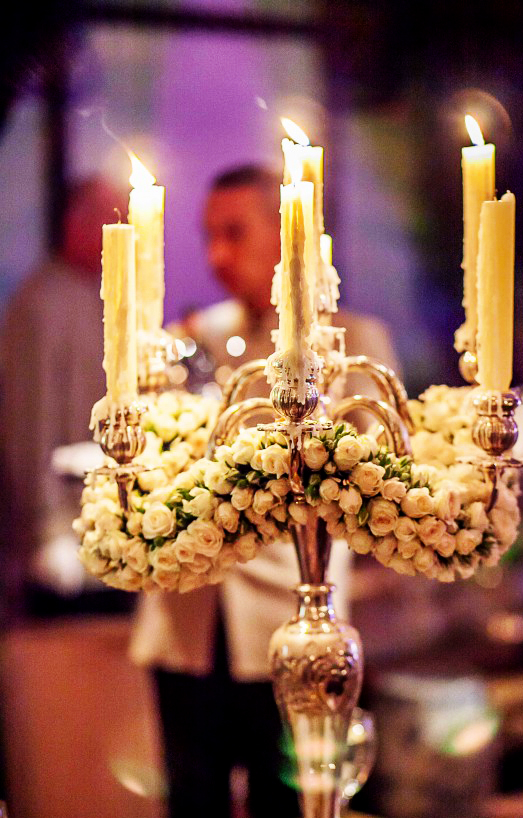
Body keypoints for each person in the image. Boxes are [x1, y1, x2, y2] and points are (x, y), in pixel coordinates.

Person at [130, 165, 399, 818]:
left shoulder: (354, 342)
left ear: (286, 238)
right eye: (207, 237)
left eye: (234, 233)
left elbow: (386, 487)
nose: (216, 255)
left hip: (293, 623)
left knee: (295, 802)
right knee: (192, 797)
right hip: (185, 622)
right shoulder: (188, 340)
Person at [0, 176, 128, 618]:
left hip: (101, 520)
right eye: (114, 220)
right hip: (60, 530)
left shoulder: (94, 295)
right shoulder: (41, 304)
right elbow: (29, 425)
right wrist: (45, 531)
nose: (125, 232)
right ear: (76, 223)